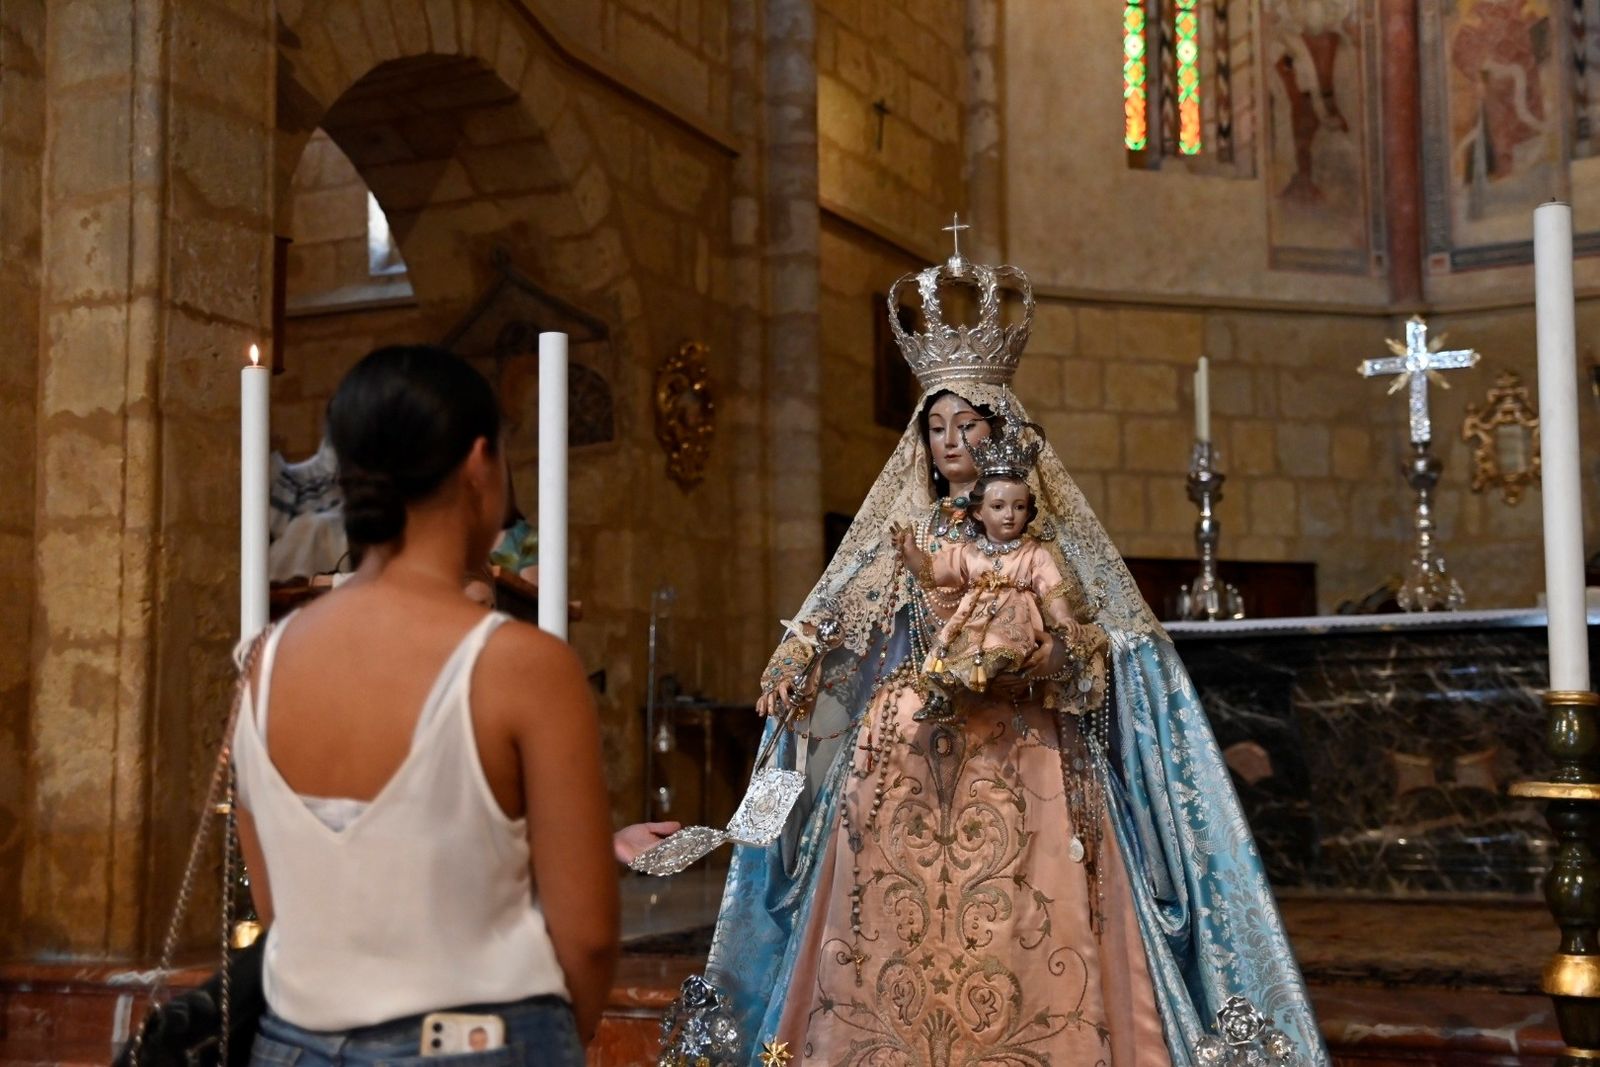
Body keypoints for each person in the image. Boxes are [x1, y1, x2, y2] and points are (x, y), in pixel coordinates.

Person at [659, 252, 1329, 1067]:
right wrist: (794, 660)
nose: (949, 444)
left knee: (1028, 916)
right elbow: (841, 613)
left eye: (966, 426)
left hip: (1021, 751)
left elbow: (1093, 646)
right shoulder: (911, 533)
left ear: (997, 428)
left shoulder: (1043, 541)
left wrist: (1040, 658)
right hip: (902, 757)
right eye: (935, 429)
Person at [233, 345, 617, 1067]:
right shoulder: (522, 666)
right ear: (480, 466)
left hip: (292, 1043)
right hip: (475, 1041)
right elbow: (588, 934)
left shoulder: (263, 666)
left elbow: (277, 904)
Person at [894, 411, 1106, 721]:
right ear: (978, 513)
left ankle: (992, 677)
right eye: (998, 506)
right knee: (949, 656)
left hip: (1012, 623)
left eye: (1018, 507)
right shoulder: (969, 552)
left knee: (999, 649)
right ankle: (944, 696)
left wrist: (1062, 618)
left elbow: (1052, 588)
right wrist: (910, 553)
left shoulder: (1033, 552)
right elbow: (933, 573)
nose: (1009, 515)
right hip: (972, 622)